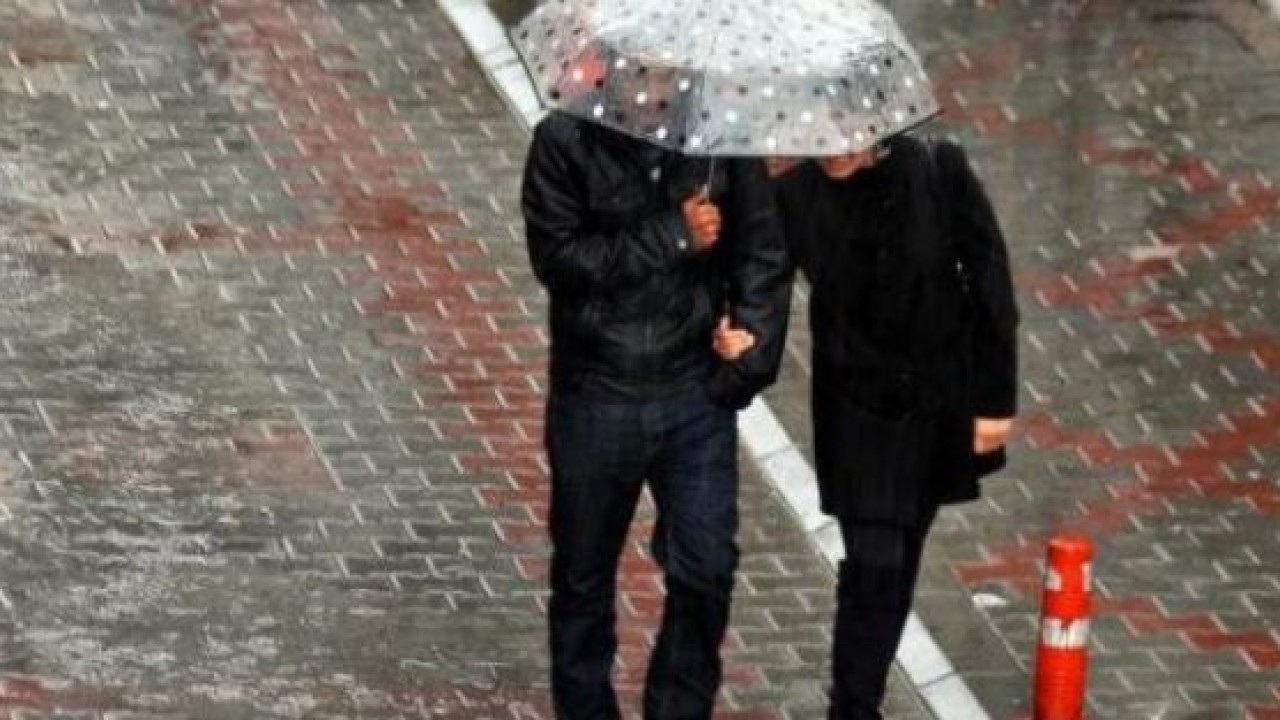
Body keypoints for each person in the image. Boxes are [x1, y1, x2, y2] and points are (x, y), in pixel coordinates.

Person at [717, 135, 1019, 720]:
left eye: (846, 137)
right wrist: (743, 337)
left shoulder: (937, 170)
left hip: (934, 403)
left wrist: (995, 400)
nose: (834, 151)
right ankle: (854, 706)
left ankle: (861, 693)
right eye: (821, 139)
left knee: (901, 560)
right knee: (874, 561)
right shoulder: (794, 196)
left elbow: (991, 281)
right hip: (856, 410)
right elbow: (761, 281)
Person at [521, 110, 792, 720]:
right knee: (583, 578)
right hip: (596, 396)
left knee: (707, 568)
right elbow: (558, 259)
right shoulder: (563, 139)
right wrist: (672, 234)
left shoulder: (723, 134)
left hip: (694, 395)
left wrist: (751, 350)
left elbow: (764, 255)